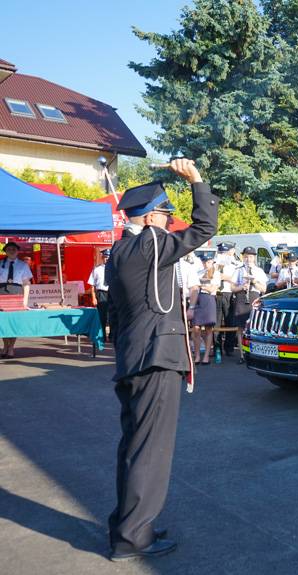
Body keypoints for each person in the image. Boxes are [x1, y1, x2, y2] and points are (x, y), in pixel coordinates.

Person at [105, 159, 218, 560]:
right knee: (150, 451)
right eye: (167, 215)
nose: (171, 222)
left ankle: (129, 523)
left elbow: (115, 316)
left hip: (134, 358)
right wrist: (197, 181)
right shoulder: (149, 243)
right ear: (151, 216)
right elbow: (205, 228)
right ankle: (134, 537)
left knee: (135, 447)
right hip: (155, 358)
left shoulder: (118, 251)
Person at [232, 246, 268, 363]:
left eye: (251, 256)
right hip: (242, 297)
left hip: (254, 296)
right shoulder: (238, 270)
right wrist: (242, 286)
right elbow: (232, 288)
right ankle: (242, 355)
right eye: (246, 256)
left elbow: (264, 289)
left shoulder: (259, 271)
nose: (248, 259)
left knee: (254, 327)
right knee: (241, 328)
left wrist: (254, 282)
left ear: (254, 258)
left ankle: (254, 353)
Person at [0, 241, 33, 358]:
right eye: (9, 249)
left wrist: (25, 300)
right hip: (2, 293)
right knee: (3, 322)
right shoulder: (0, 264)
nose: (12, 251)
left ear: (18, 251)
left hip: (16, 293)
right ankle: (5, 345)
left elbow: (26, 284)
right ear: (5, 251)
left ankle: (11, 348)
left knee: (14, 322)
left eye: (14, 249)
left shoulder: (23, 265)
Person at [191, 256, 218, 364]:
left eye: (209, 262)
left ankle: (206, 356)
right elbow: (192, 286)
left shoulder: (215, 273)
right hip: (197, 299)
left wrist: (201, 286)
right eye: (205, 262)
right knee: (196, 329)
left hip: (208, 299)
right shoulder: (197, 272)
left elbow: (212, 289)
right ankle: (197, 356)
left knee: (208, 329)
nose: (207, 264)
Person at [214, 242, 239, 356]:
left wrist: (226, 277)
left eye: (225, 252)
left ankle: (229, 347)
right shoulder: (215, 263)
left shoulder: (236, 264)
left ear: (231, 251)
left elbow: (238, 280)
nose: (223, 254)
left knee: (230, 321)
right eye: (221, 252)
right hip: (217, 293)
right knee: (216, 322)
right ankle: (217, 348)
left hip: (229, 293)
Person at [89, 249, 111, 343]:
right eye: (105, 257)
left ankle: (112, 335)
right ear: (102, 258)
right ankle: (102, 336)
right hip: (101, 293)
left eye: (108, 257)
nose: (107, 259)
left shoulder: (114, 268)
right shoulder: (96, 269)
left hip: (112, 293)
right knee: (102, 316)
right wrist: (93, 297)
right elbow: (92, 285)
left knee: (112, 315)